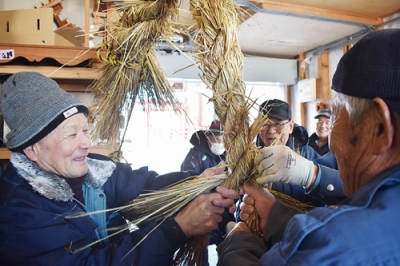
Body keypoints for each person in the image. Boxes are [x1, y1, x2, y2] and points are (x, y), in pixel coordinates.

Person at [0, 72, 239, 265]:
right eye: (71, 134)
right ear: (32, 150)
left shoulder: (96, 170)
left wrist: (199, 182)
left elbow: (147, 186)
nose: (86, 143)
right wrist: (176, 230)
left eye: (85, 130)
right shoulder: (17, 211)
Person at [217, 29, 400, 265]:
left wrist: (238, 239)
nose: (271, 131)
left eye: (334, 116)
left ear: (379, 128)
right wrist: (275, 217)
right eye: (265, 125)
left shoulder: (331, 242)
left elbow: (325, 244)